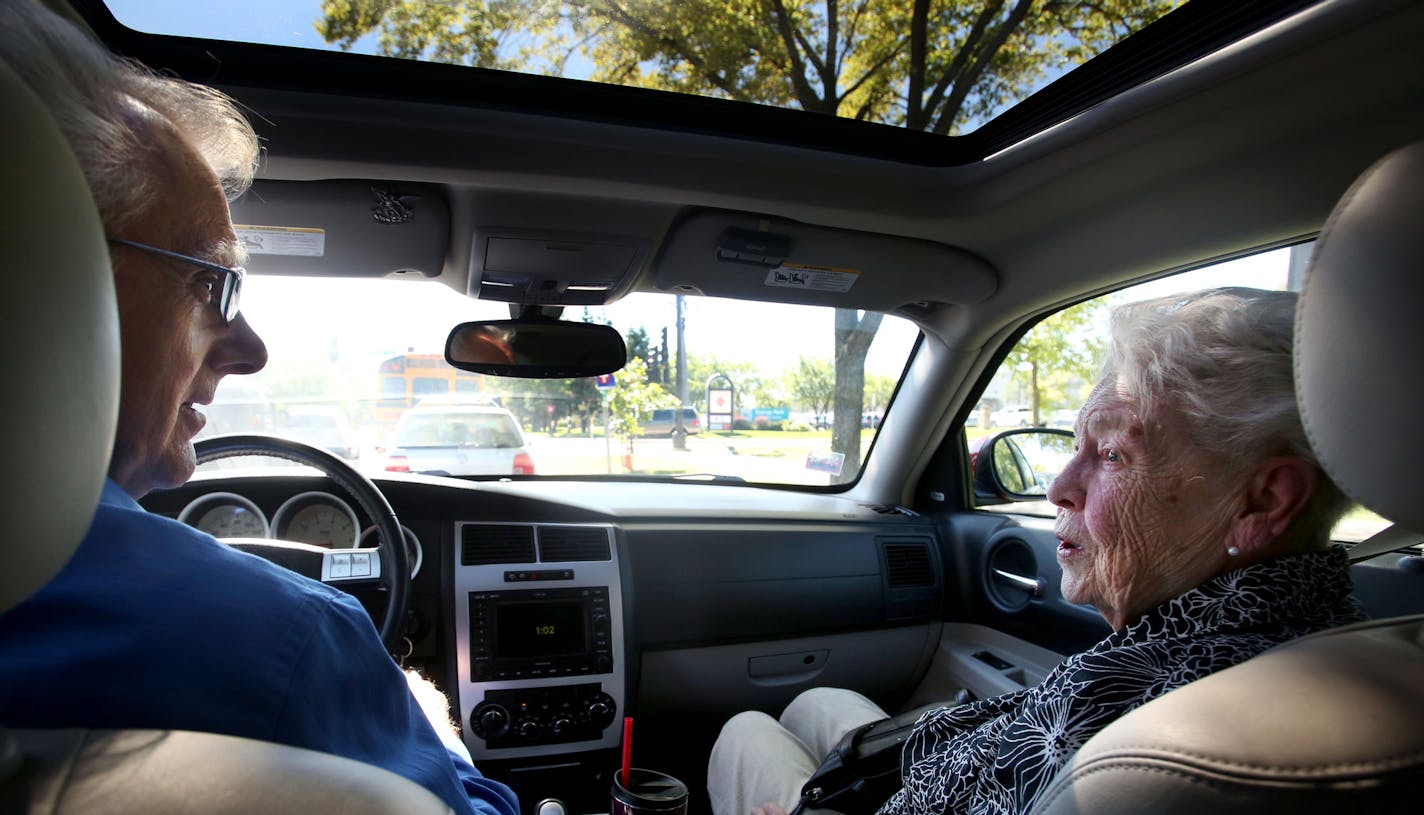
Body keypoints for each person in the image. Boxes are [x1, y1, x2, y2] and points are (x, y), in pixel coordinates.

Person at [0, 3, 517, 814]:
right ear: (50, 275)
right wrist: (427, 720)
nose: (250, 350)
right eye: (212, 284)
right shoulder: (292, 643)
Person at [708, 287, 1366, 815]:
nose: (1057, 486)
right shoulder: (1335, 646)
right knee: (815, 701)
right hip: (929, 767)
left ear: (1264, 501)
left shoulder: (1162, 739)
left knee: (745, 730)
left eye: (1111, 453)